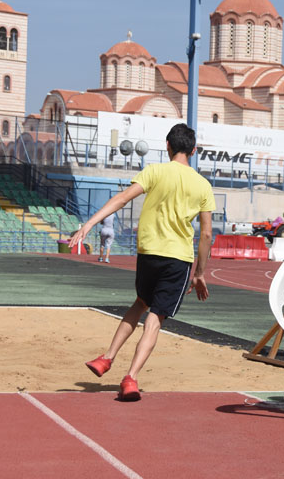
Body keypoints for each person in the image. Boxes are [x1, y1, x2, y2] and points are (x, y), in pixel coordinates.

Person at [70, 123, 215, 402]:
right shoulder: (203, 185)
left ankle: (107, 357)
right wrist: (200, 273)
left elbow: (123, 198)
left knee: (140, 303)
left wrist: (89, 224)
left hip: (149, 252)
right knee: (155, 317)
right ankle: (131, 377)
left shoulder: (155, 171)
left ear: (168, 145)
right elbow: (206, 233)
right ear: (194, 150)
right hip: (178, 258)